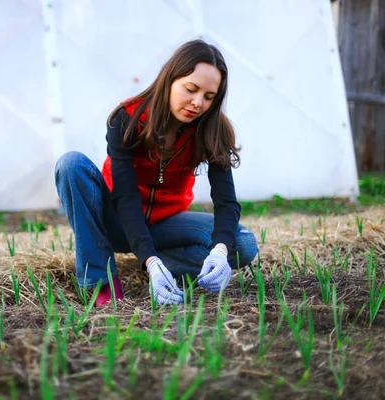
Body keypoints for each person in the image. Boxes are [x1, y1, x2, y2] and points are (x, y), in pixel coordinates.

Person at [55, 39, 259, 307]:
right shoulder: (127, 118)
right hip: (117, 220)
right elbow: (126, 197)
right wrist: (151, 261)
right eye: (191, 89)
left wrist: (220, 251)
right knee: (71, 164)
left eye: (209, 97)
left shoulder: (213, 129)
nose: (198, 103)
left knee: (242, 244)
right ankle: (101, 279)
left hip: (166, 225)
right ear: (171, 78)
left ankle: (158, 264)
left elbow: (226, 201)